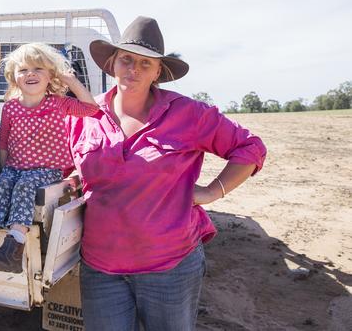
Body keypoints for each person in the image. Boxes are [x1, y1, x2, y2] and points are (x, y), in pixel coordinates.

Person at [66, 16, 267, 330]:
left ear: (158, 71)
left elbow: (250, 147)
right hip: (100, 268)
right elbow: (66, 169)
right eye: (126, 60)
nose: (133, 69)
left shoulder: (188, 114)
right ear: (112, 63)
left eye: (145, 64)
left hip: (170, 267)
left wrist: (214, 191)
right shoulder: (84, 115)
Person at [0, 43, 99, 273]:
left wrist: (69, 79)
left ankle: (14, 248)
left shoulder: (58, 103)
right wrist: (3, 171)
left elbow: (90, 109)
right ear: (14, 77)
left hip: (48, 169)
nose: (30, 74)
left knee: (24, 186)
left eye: (38, 69)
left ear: (50, 75)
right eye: (23, 70)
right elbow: (3, 142)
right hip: (15, 167)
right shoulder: (11, 107)